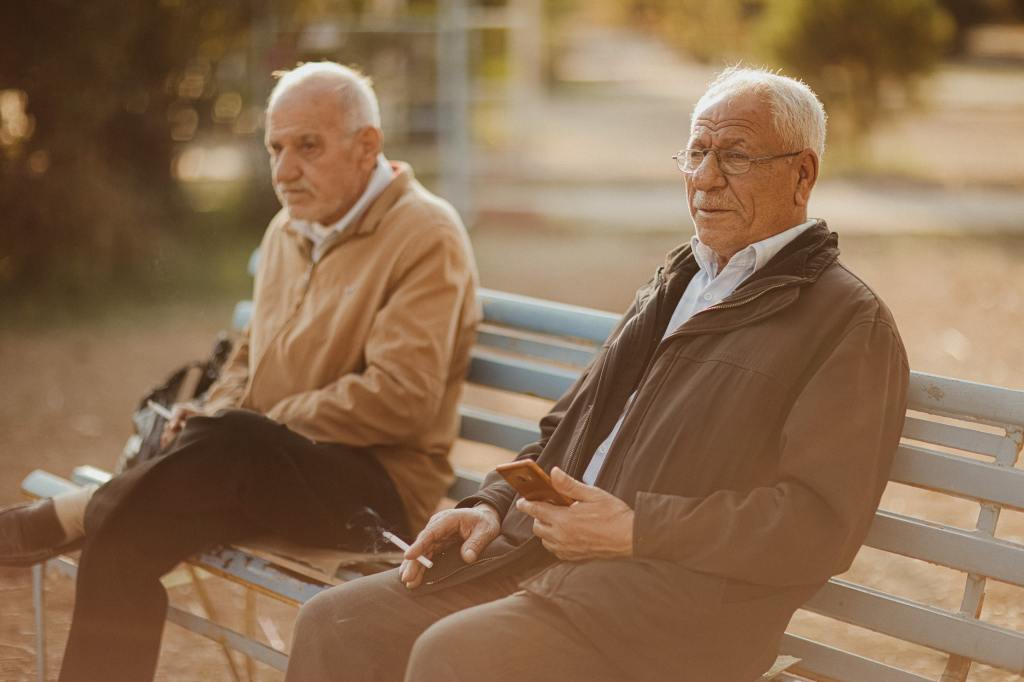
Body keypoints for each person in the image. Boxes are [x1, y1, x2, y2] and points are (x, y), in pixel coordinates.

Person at [284, 66, 909, 682]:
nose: (705, 178)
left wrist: (636, 531)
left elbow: (818, 523)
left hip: (671, 611)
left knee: (457, 657)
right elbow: (570, 424)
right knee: (334, 623)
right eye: (696, 153)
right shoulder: (679, 281)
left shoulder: (847, 321)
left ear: (803, 173)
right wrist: (495, 503)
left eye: (736, 156)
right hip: (541, 562)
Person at [0, 62, 479, 682]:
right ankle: (106, 512)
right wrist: (210, 413)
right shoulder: (287, 229)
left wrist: (242, 422)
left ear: (368, 147)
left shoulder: (425, 233)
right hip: (245, 465)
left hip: (374, 491)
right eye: (275, 148)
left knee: (229, 443)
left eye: (307, 146)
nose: (283, 171)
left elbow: (401, 400)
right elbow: (248, 360)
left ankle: (76, 510)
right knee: (122, 542)